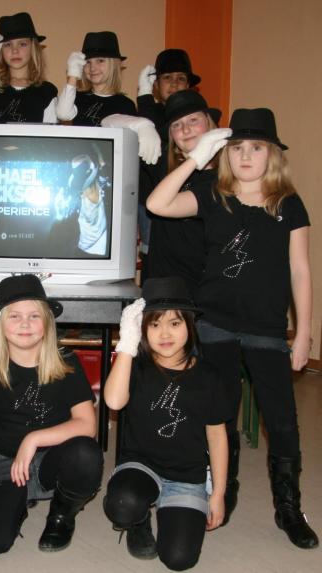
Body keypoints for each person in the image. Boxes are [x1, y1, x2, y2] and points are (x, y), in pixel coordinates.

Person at [146, 108, 318, 548]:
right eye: (236, 147)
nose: (245, 156)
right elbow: (157, 204)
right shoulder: (212, 194)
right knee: (219, 412)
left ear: (272, 155)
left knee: (282, 420)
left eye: (256, 148)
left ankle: (288, 506)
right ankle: (225, 489)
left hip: (266, 327)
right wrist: (195, 157)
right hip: (215, 324)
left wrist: (303, 332)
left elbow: (300, 271)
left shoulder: (288, 203)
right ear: (224, 153)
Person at [0, 274, 103, 557]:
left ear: (47, 323)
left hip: (55, 457)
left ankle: (61, 514)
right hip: (4, 459)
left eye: (34, 316)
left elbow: (87, 425)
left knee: (86, 454)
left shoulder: (66, 361)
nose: (25, 324)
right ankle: (18, 502)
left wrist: (33, 439)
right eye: (14, 316)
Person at [103, 277, 229, 570]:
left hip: (187, 475)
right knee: (123, 504)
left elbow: (217, 436)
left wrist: (218, 493)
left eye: (174, 323)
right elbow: (113, 402)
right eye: (155, 324)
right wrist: (126, 345)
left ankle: (172, 505)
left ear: (189, 326)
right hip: (141, 465)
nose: (164, 334)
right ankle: (139, 520)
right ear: (142, 329)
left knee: (178, 559)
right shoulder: (136, 366)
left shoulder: (208, 375)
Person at [145, 90, 220, 297]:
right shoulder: (163, 164)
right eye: (176, 125)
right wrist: (141, 126)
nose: (185, 129)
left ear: (209, 123)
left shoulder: (225, 178)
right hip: (160, 285)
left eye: (193, 120)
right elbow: (110, 121)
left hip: (202, 289)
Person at [135, 49, 201, 267]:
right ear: (156, 83)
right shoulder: (149, 112)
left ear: (189, 84)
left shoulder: (196, 115)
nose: (174, 84)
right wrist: (145, 97)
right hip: (150, 198)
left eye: (181, 78)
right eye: (167, 78)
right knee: (153, 257)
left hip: (188, 198)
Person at [57, 31, 160, 165]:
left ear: (113, 64)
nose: (92, 67)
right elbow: (63, 113)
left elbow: (130, 146)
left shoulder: (125, 104)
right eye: (87, 62)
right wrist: (72, 76)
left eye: (100, 61)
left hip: (110, 167)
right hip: (78, 164)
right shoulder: (77, 98)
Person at [0, 12, 58, 124]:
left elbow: (50, 131)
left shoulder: (46, 91)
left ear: (33, 48)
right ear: (0, 50)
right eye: (8, 45)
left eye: (22, 44)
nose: (15, 50)